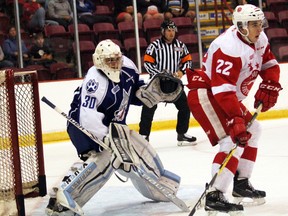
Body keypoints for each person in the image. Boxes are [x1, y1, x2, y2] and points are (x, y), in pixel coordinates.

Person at [45, 39, 183, 215]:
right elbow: (87, 116)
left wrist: (152, 92)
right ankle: (63, 201)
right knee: (106, 158)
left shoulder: (128, 67)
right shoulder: (95, 79)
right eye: (110, 60)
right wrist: (105, 138)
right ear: (99, 61)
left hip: (115, 127)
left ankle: (162, 185)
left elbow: (133, 92)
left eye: (117, 59)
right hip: (84, 128)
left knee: (141, 150)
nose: (115, 63)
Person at [185, 4, 282, 214]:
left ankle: (241, 184)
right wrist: (236, 120)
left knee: (254, 130)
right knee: (231, 140)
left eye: (260, 23)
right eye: (254, 25)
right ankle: (214, 194)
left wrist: (270, 84)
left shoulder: (259, 39)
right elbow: (222, 91)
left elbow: (270, 65)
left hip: (224, 96)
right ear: (241, 26)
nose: (259, 29)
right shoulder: (228, 46)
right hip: (207, 94)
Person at [139, 20, 197, 145]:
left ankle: (182, 134)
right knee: (148, 107)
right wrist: (158, 74)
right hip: (157, 83)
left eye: (173, 30)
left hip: (174, 83)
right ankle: (143, 135)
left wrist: (182, 71)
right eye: (168, 30)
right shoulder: (154, 46)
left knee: (185, 107)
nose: (171, 33)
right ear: (163, 31)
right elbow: (148, 62)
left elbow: (188, 60)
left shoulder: (181, 45)